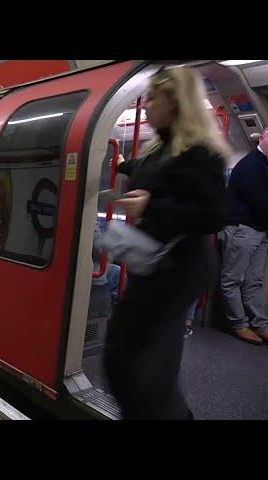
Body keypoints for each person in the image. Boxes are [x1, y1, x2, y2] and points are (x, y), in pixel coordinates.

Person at [103, 67, 229, 420]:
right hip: (161, 264)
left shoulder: (199, 153)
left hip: (180, 265)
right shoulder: (163, 146)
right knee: (150, 357)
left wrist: (151, 205)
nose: (146, 106)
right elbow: (146, 172)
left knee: (128, 355)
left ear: (175, 102)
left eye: (154, 98)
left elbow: (214, 214)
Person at [220, 127, 268, 344]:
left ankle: (260, 324)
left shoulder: (263, 165)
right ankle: (239, 324)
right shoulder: (250, 165)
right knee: (233, 280)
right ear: (262, 137)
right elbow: (260, 202)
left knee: (254, 281)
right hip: (243, 229)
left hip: (260, 230)